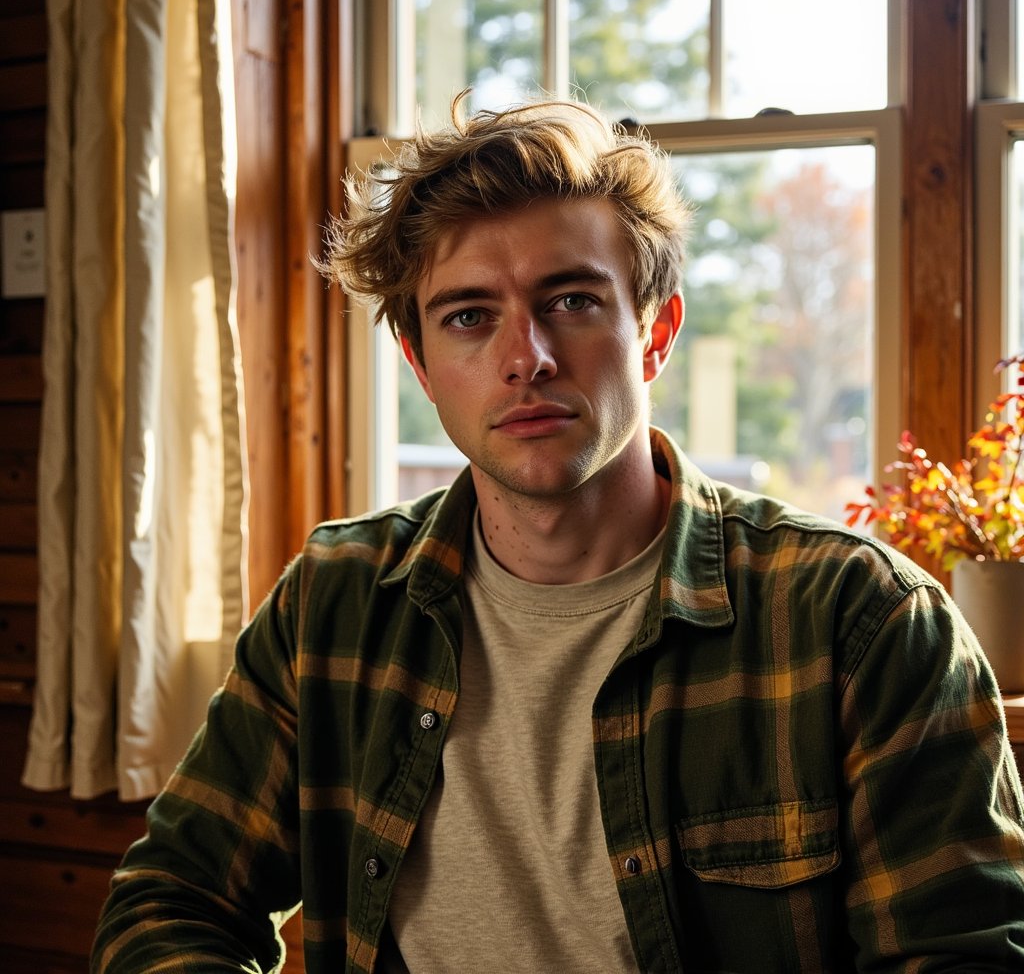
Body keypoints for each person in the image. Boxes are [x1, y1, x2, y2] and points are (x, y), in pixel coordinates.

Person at [92, 93, 1024, 974]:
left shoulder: (864, 623)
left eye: (571, 301)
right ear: (420, 364)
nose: (523, 359)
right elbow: (171, 900)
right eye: (468, 317)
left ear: (655, 331)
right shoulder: (334, 602)